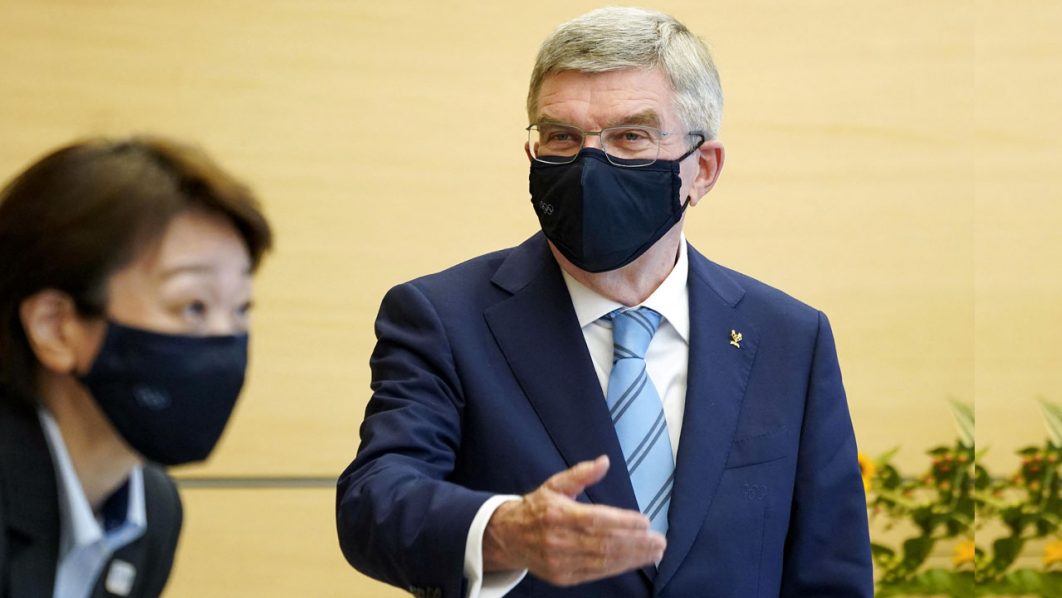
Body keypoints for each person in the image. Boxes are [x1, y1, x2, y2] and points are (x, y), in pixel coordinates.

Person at [337, 7, 872, 597]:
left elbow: (831, 573)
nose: (589, 166)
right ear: (534, 155)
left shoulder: (788, 337)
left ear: (703, 169)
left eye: (630, 137)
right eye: (562, 137)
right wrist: (503, 532)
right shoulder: (443, 318)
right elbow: (373, 501)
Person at [0, 136, 272, 597]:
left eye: (241, 308)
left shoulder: (152, 509)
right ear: (56, 327)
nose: (225, 338)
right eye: (193, 307)